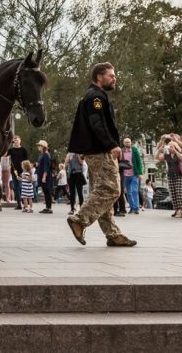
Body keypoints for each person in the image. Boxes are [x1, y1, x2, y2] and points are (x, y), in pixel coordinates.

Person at [65, 62, 136, 247]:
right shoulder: (95, 96)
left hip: (94, 151)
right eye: (111, 75)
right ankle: (79, 220)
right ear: (99, 77)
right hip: (100, 151)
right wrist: (112, 144)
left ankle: (112, 234)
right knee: (111, 189)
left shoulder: (93, 95)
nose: (114, 78)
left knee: (102, 190)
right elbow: (97, 122)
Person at [157, 134, 182, 219]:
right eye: (169, 146)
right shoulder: (167, 155)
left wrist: (175, 150)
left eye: (172, 146)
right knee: (173, 194)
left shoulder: (181, 152)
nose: (170, 147)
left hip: (180, 174)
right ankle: (177, 210)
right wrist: (161, 143)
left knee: (179, 193)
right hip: (170, 175)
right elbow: (158, 157)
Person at [8, 136, 28, 209]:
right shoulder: (11, 150)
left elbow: (26, 161)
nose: (16, 141)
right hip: (14, 171)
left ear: (20, 140)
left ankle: (25, 203)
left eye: (17, 139)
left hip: (22, 171)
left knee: (22, 187)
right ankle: (19, 204)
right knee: (15, 188)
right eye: (14, 140)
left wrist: (26, 171)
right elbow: (4, 155)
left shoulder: (23, 150)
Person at [36, 141, 53, 213]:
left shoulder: (46, 154)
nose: (38, 147)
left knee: (47, 192)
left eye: (39, 145)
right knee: (45, 192)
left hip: (46, 176)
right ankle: (47, 207)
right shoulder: (42, 154)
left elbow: (46, 166)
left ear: (43, 146)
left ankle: (49, 208)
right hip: (42, 175)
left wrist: (44, 177)